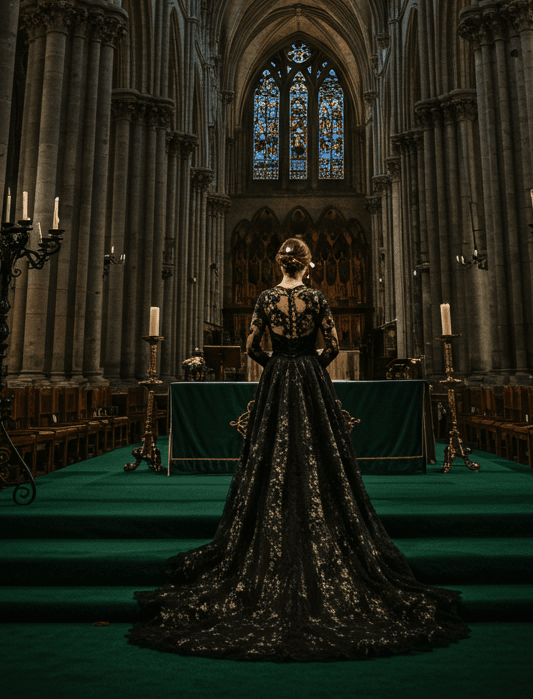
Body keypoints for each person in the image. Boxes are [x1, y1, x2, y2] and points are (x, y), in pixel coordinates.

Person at [129, 237, 468, 661]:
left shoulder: (266, 299)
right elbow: (333, 345)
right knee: (321, 450)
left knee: (269, 450)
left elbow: (252, 346)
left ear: (279, 265)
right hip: (309, 375)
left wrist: (277, 363)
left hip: (277, 376)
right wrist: (308, 364)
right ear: (307, 265)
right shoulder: (318, 299)